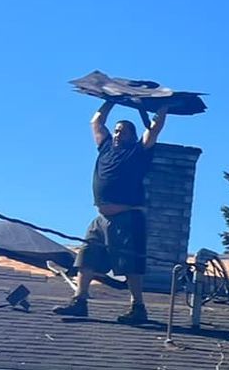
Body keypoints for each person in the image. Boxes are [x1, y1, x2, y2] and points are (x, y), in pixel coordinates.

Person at [55, 100, 167, 324]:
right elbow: (96, 121)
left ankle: (138, 307)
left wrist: (163, 106)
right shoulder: (105, 147)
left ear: (132, 137)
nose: (117, 135)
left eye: (122, 133)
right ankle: (80, 301)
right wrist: (112, 99)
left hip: (128, 218)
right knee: (86, 256)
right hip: (102, 219)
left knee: (130, 263)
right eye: (116, 131)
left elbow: (154, 129)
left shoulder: (138, 151)